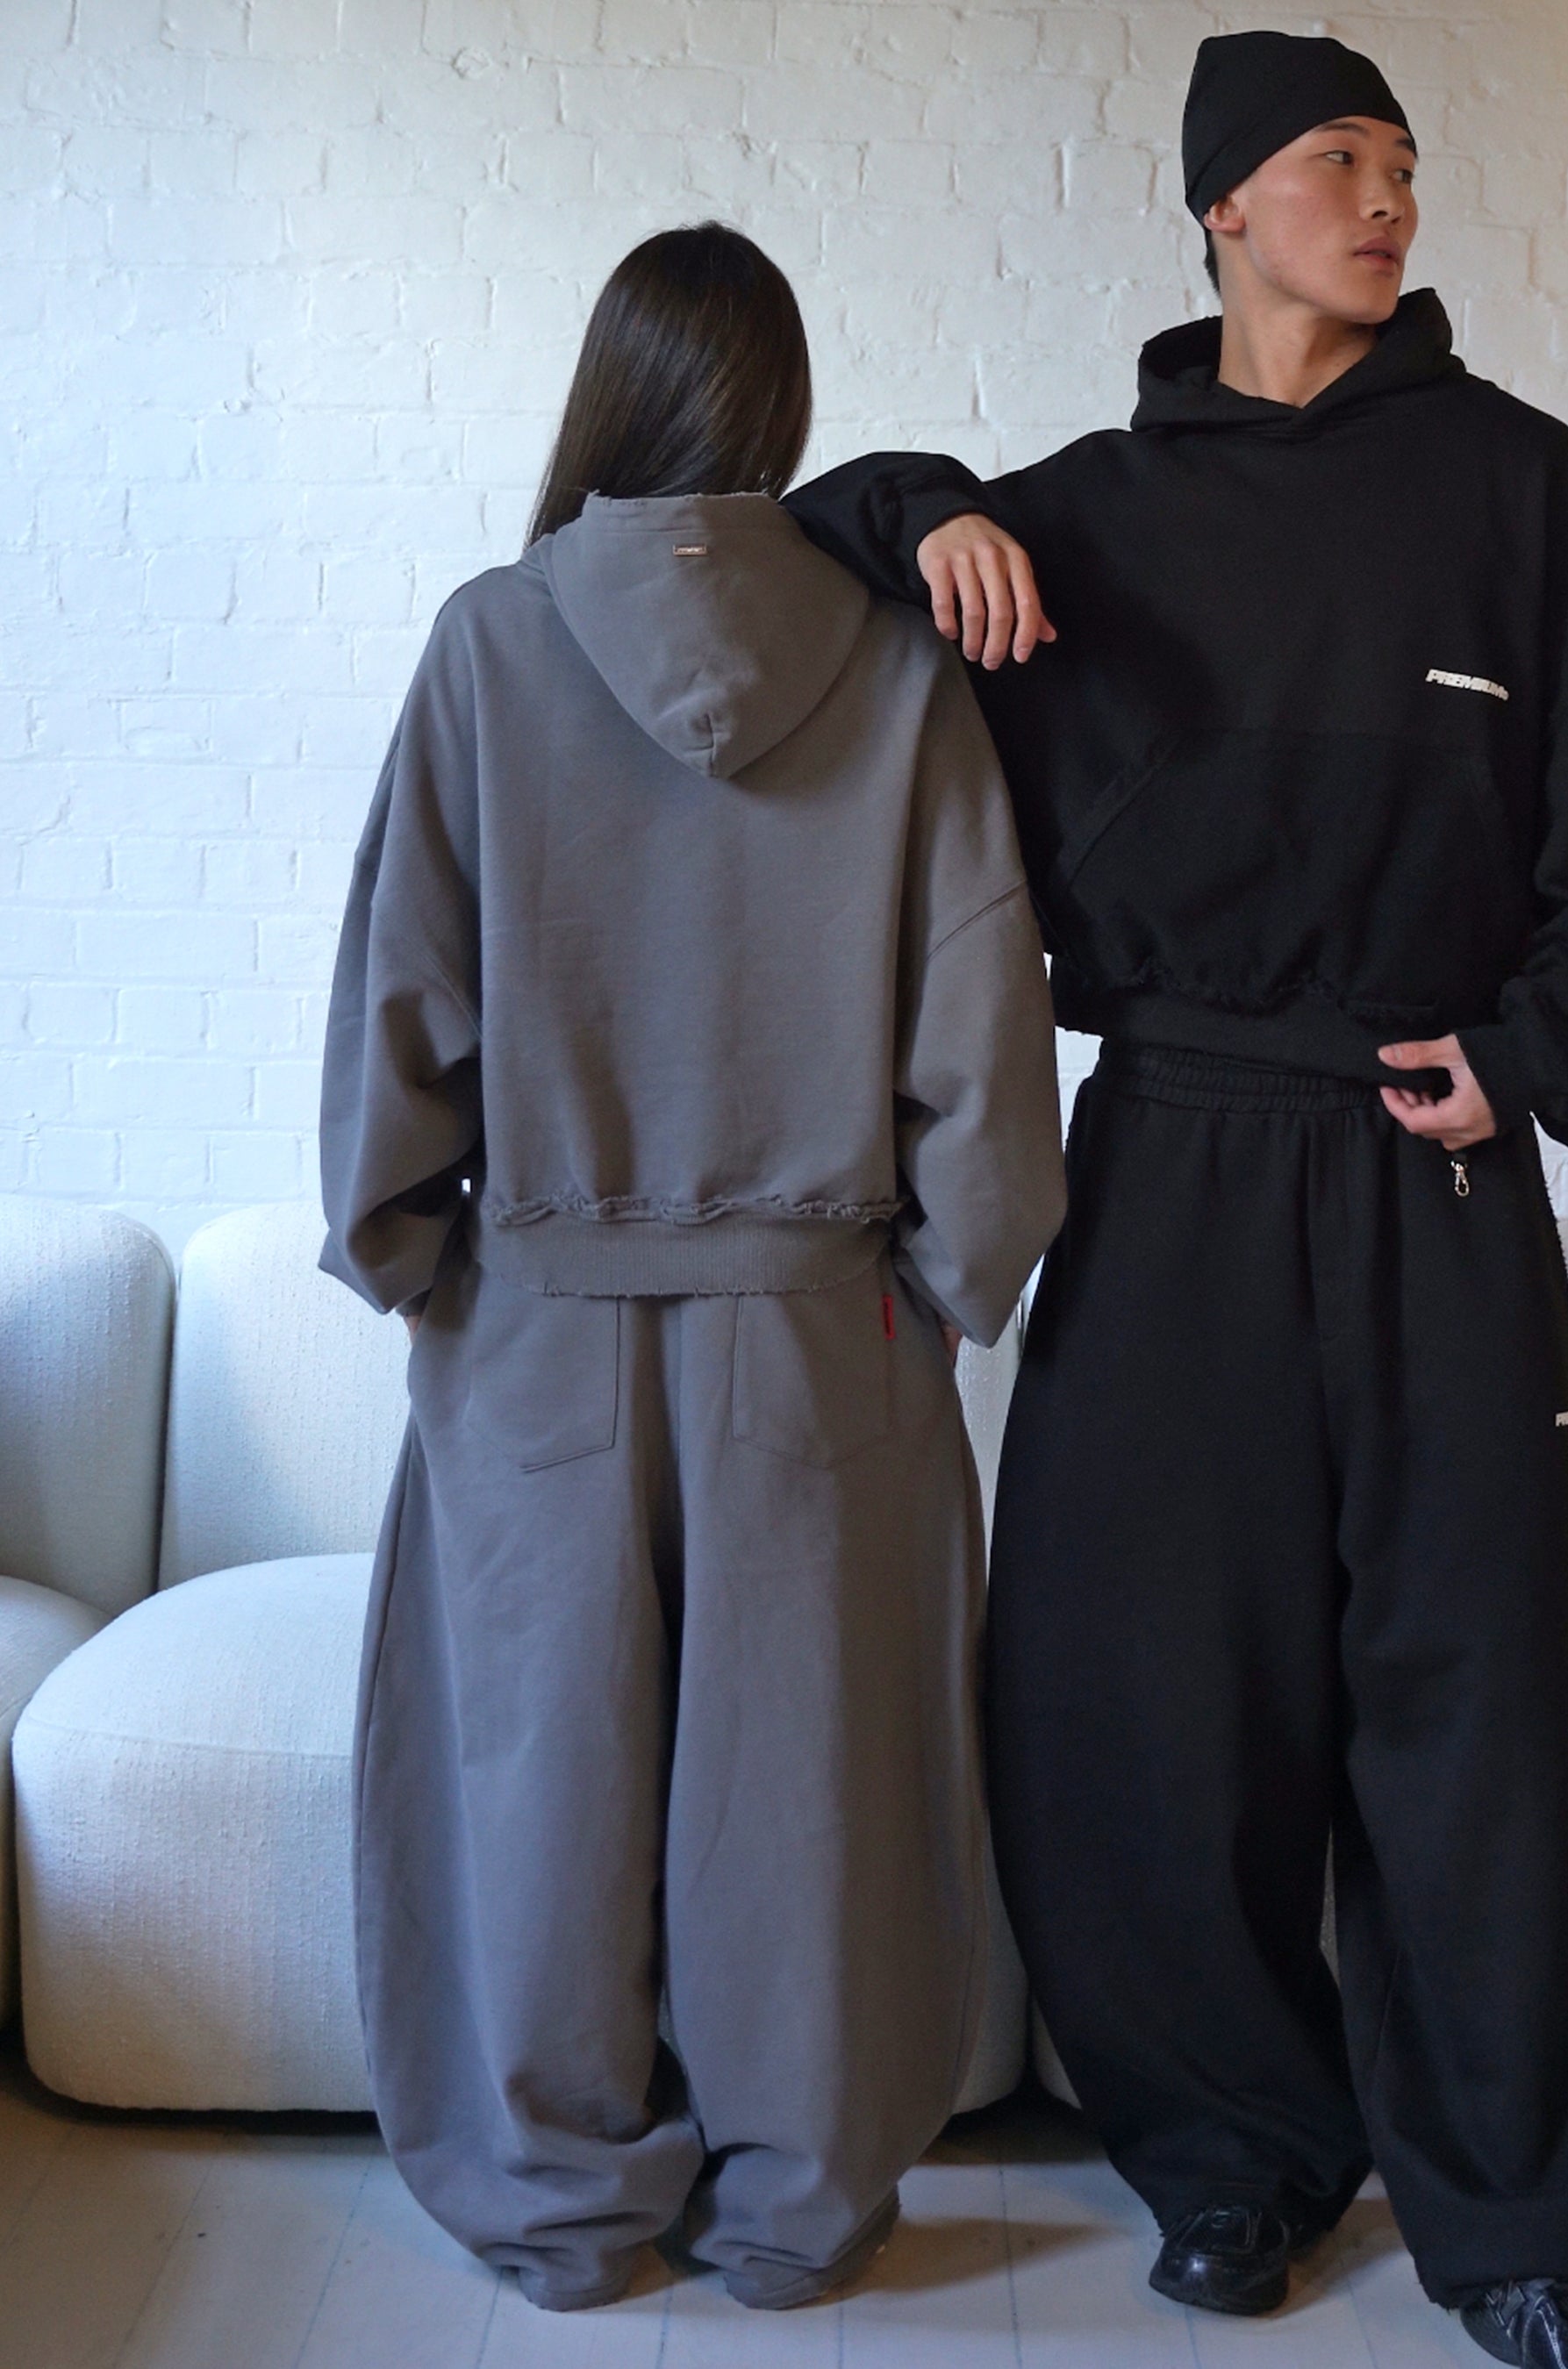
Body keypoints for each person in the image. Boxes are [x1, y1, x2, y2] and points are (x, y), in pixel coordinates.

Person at [789, 32, 1568, 2369]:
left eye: (1404, 164)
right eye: (1334, 161)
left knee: (1505, 1698)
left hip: (1429, 1156)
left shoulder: (1524, 489)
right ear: (1221, 206)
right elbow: (803, 549)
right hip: (1170, 1151)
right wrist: (926, 507)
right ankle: (1229, 2156)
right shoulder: (1089, 516)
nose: (1388, 200)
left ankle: (1525, 2231)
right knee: (1138, 1689)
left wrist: (1526, 1063)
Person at [318, 223, 1067, 2315]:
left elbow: (406, 989)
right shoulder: (897, 666)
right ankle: (798, 2210)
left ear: (610, 388)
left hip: (539, 1318)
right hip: (826, 1324)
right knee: (810, 1796)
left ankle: (561, 2208)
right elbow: (983, 1021)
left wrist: (412, 1252)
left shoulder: (491, 644)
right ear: (782, 404)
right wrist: (951, 1280)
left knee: (535, 1783)